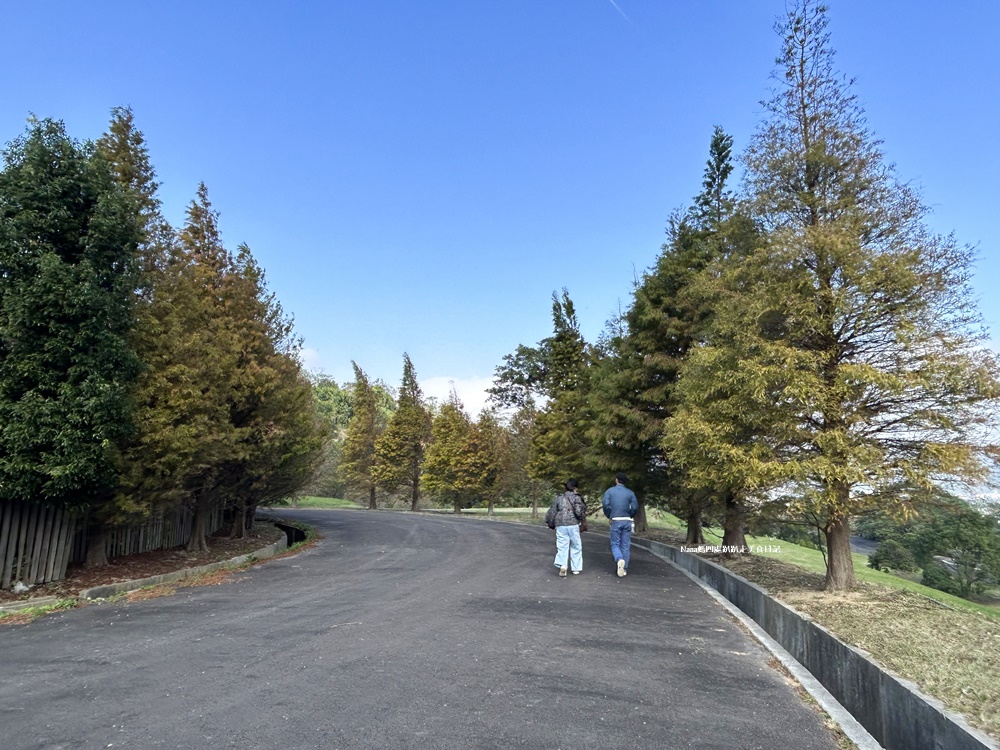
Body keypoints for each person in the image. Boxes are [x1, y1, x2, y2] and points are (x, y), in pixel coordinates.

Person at [544, 479, 587, 576]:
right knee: (576, 546)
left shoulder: (559, 498)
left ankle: (563, 565)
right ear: (575, 488)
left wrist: (550, 523)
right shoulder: (577, 498)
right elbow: (579, 512)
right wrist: (582, 518)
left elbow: (552, 512)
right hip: (573, 524)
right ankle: (576, 568)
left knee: (562, 546)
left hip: (561, 524)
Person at [602, 472, 638, 577]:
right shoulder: (630, 493)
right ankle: (624, 569)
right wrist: (630, 514)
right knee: (625, 545)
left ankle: (619, 559)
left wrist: (609, 515)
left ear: (616, 480)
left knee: (615, 543)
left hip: (615, 519)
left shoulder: (610, 491)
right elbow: (635, 507)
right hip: (627, 520)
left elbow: (605, 504)